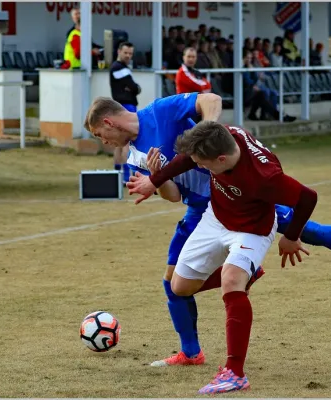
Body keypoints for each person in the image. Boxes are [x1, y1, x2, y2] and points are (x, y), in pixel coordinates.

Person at [126, 119, 319, 393]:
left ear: (222, 158)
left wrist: (291, 236)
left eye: (205, 165)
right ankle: (247, 273)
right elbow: (187, 159)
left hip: (252, 229)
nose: (201, 168)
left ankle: (235, 373)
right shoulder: (219, 137)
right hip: (215, 219)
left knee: (231, 281)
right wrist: (153, 180)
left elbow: (308, 197)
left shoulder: (265, 176)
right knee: (179, 287)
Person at [109, 41, 141, 186]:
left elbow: (133, 88)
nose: (128, 56)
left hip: (121, 107)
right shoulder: (119, 68)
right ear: (119, 52)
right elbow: (135, 88)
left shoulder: (121, 68)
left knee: (118, 143)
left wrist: (133, 88)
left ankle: (118, 173)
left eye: (130, 53)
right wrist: (133, 89)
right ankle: (126, 176)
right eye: (126, 53)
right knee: (126, 142)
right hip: (126, 106)